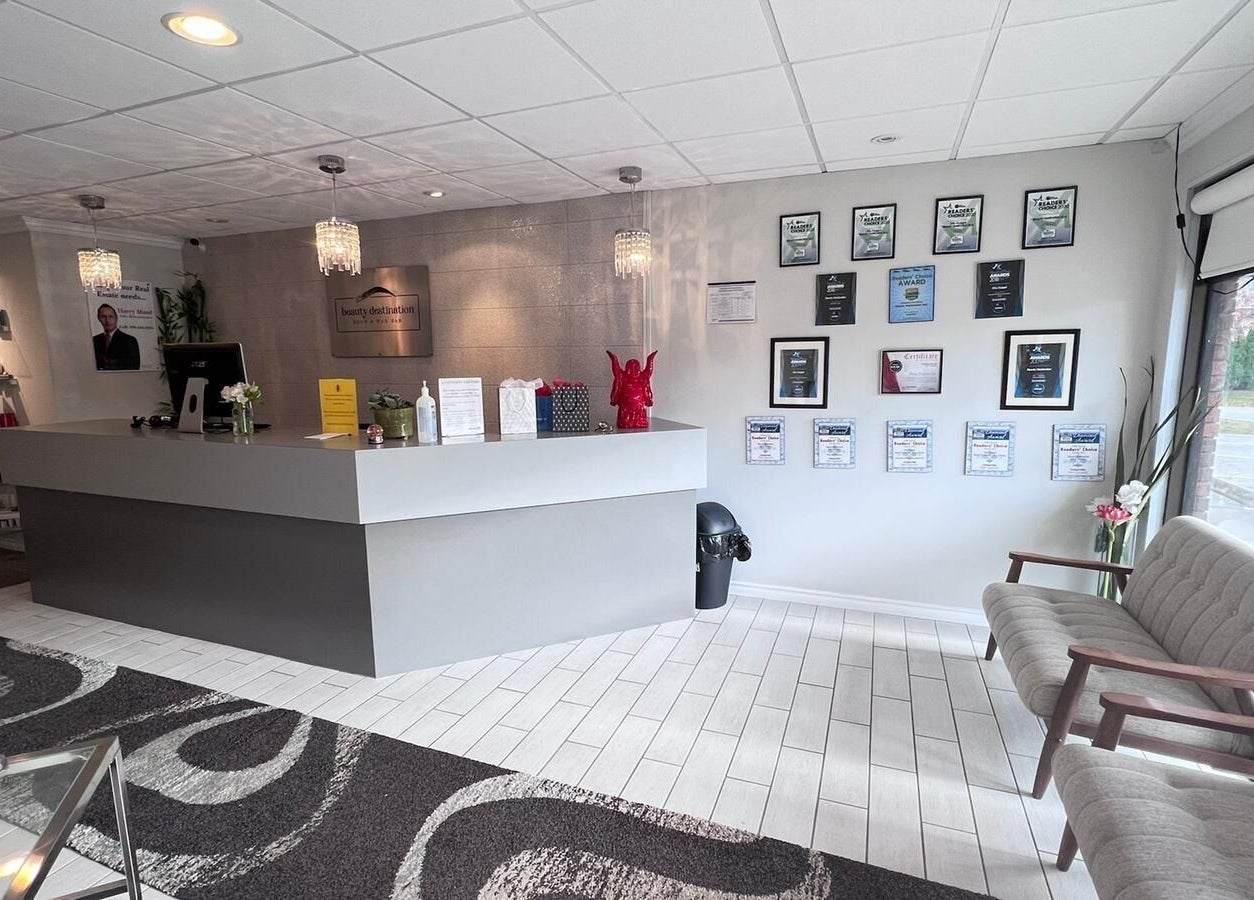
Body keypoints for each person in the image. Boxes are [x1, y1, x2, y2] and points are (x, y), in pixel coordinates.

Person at [93, 303, 140, 370]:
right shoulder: (95, 340)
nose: (107, 320)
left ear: (116, 318)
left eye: (110, 316)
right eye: (103, 316)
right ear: (99, 318)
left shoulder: (130, 340)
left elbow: (133, 366)